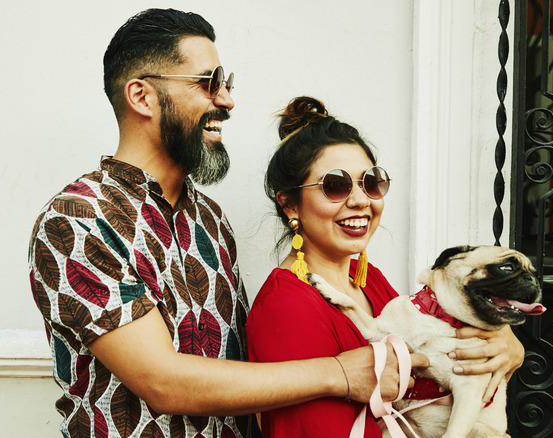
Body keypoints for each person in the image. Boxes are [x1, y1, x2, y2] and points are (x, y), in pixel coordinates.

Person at [27, 9, 421, 438]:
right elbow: (163, 383)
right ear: (142, 97)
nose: (227, 100)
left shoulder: (211, 220)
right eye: (209, 83)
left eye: (226, 83)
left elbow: (242, 377)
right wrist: (341, 374)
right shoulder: (79, 219)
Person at [246, 96, 525, 437]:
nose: (361, 200)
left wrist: (505, 343)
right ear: (289, 204)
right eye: (335, 185)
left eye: (371, 182)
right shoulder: (287, 305)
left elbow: (440, 349)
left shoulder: (368, 280)